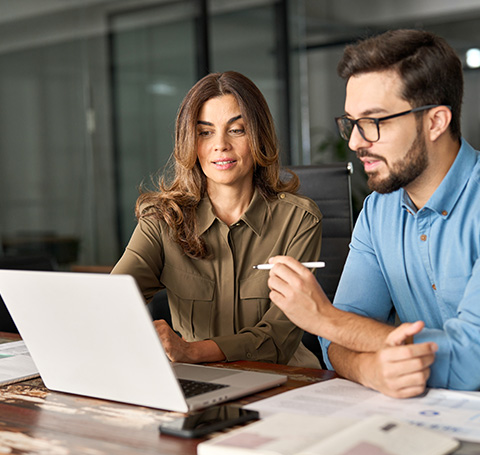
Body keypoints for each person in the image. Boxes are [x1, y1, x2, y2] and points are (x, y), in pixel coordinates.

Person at [267, 29, 480, 398]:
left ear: (435, 122)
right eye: (351, 122)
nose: (354, 142)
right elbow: (336, 345)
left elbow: (471, 359)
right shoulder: (379, 209)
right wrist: (369, 369)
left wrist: (324, 318)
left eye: (374, 122)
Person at [112, 71, 322, 368]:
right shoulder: (161, 220)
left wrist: (192, 352)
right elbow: (114, 299)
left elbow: (279, 335)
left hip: (284, 380)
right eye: (205, 132)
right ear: (190, 141)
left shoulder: (299, 219)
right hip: (197, 382)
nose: (220, 145)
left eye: (236, 130)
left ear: (258, 136)